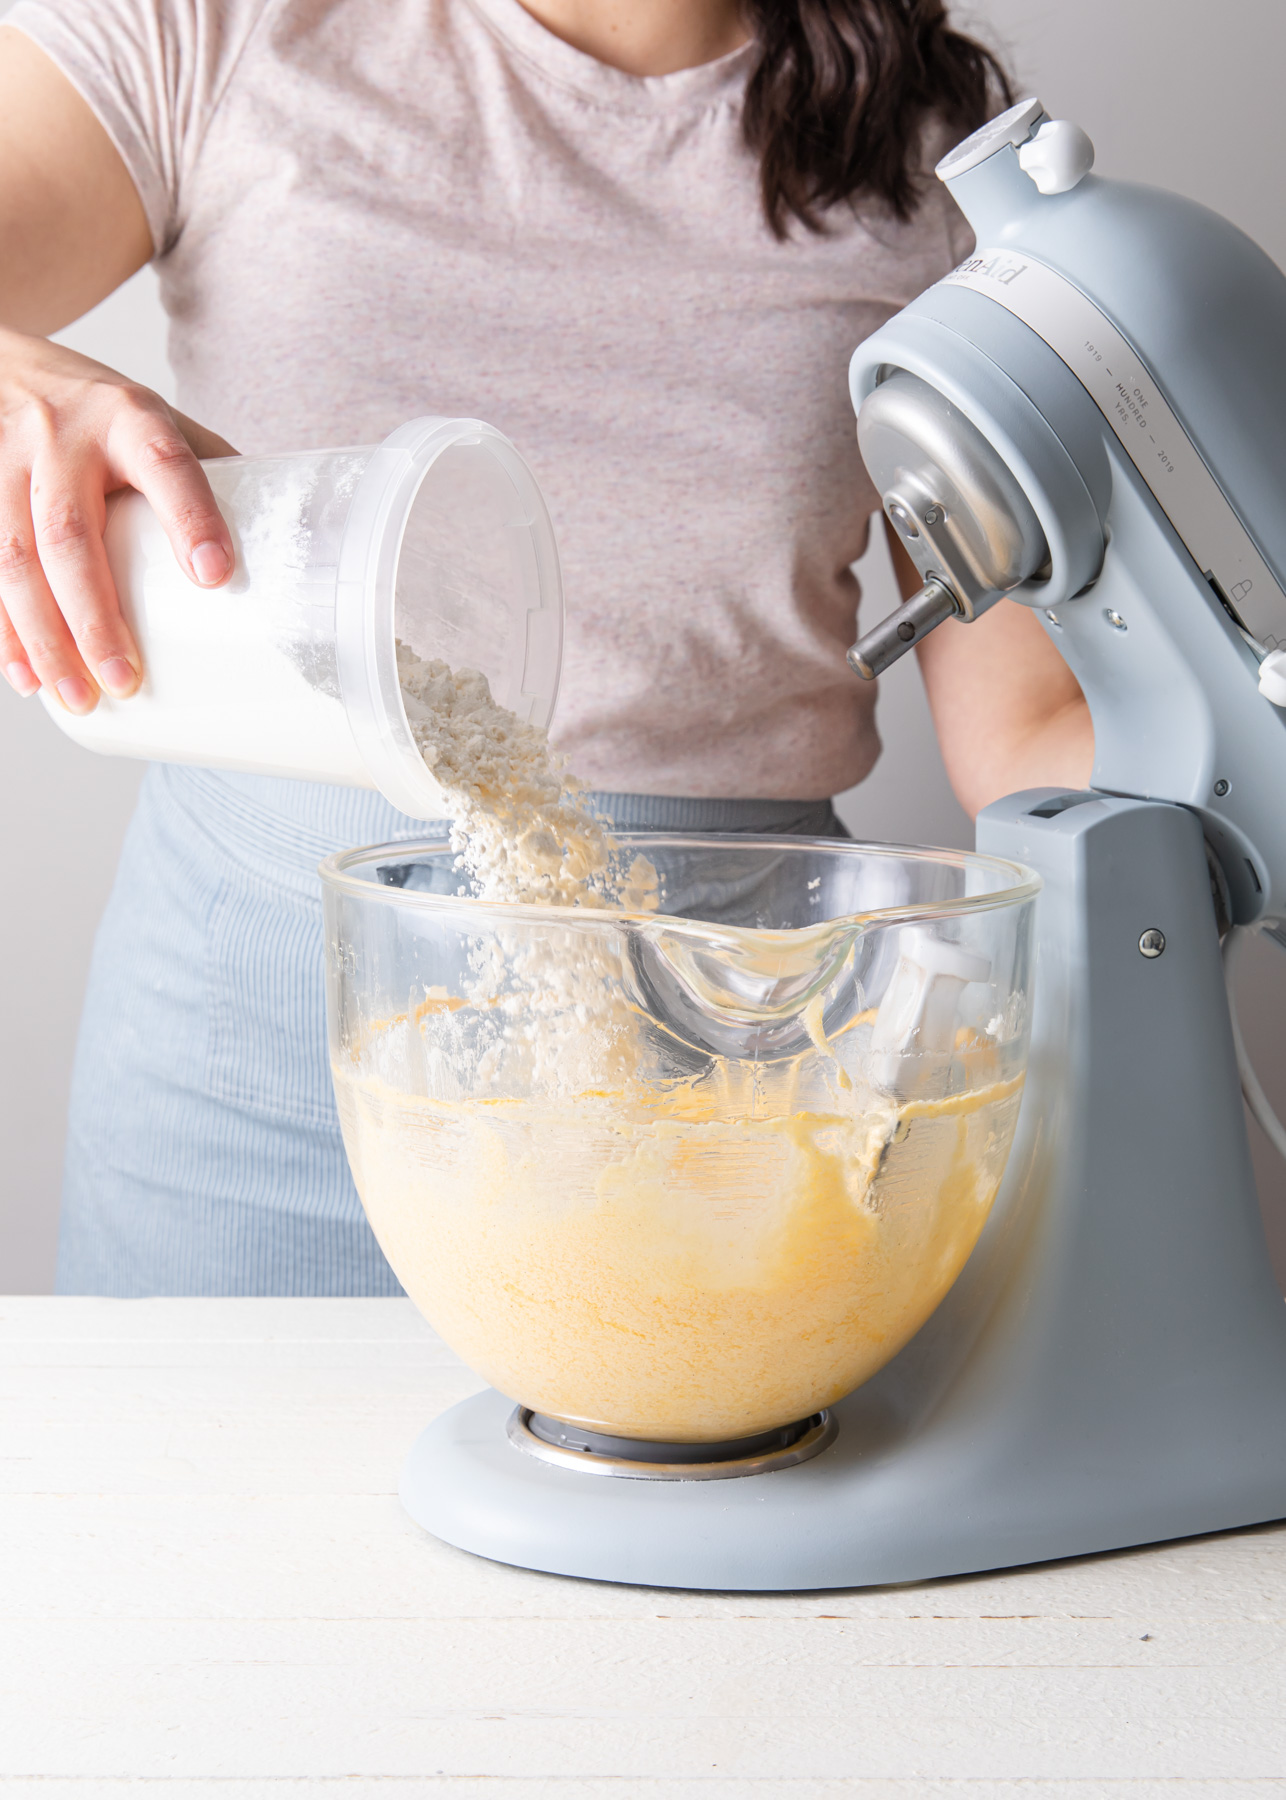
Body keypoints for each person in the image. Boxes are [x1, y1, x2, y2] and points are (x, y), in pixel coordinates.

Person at [0, 0, 1092, 1295]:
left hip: (736, 1067)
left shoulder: (939, 165)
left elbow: (1026, 724)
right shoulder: (212, 25)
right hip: (250, 1050)